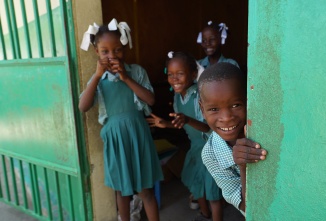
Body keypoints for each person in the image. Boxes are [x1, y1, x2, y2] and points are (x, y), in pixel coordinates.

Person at [78, 18, 163, 221]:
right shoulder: (98, 80)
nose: (112, 56)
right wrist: (97, 77)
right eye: (105, 51)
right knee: (122, 192)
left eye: (117, 50)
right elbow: (83, 106)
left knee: (146, 191)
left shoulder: (136, 72)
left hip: (138, 135)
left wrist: (126, 77)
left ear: (124, 49)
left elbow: (150, 99)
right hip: (115, 140)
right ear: (97, 52)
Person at [147, 52, 224, 221]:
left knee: (212, 194)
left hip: (211, 147)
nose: (174, 79)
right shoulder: (177, 97)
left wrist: (188, 119)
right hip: (196, 148)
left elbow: (208, 127)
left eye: (180, 74)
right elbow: (181, 123)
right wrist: (165, 124)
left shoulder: (199, 96)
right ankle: (204, 215)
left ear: (194, 75)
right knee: (197, 184)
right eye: (170, 74)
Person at [198, 63, 267, 215]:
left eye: (236, 105)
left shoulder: (266, 129)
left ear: (248, 99)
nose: (226, 118)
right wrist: (242, 166)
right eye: (214, 109)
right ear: (202, 109)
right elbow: (247, 207)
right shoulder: (211, 155)